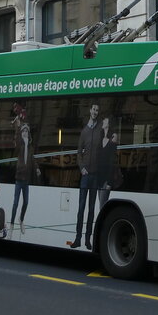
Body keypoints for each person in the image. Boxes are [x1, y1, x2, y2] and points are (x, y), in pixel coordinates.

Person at [72, 102, 102, 250]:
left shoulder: (100, 130)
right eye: (94, 109)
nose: (95, 112)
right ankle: (77, 238)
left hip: (95, 176)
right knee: (81, 208)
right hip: (85, 176)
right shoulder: (84, 131)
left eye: (97, 110)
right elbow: (78, 152)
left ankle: (87, 240)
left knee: (91, 209)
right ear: (90, 110)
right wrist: (82, 168)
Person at [10, 123, 37, 234]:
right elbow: (16, 147)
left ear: (28, 133)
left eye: (26, 131)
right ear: (21, 134)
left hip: (26, 180)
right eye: (23, 131)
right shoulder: (20, 145)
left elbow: (33, 159)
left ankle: (21, 220)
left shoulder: (30, 147)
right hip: (19, 179)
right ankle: (11, 224)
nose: (25, 133)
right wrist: (17, 129)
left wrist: (37, 168)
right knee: (15, 203)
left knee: (26, 202)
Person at [97, 117, 121, 209]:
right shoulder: (101, 137)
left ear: (109, 123)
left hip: (107, 178)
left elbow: (113, 160)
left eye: (105, 120)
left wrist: (109, 182)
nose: (103, 121)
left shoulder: (113, 137)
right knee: (101, 205)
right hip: (99, 177)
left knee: (102, 205)